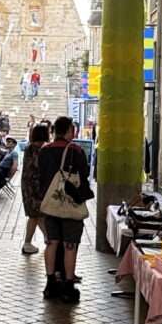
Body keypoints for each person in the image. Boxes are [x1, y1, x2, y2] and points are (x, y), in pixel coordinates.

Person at [36, 116, 91, 303]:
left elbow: (39, 176)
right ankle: (68, 285)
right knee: (70, 245)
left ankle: (50, 283)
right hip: (70, 206)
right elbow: (84, 176)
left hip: (50, 204)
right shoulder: (76, 151)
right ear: (69, 130)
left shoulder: (44, 151)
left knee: (51, 242)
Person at [19, 122, 50, 256]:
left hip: (27, 186)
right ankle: (29, 243)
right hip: (36, 187)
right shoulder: (41, 150)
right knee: (36, 215)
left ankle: (45, 239)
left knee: (36, 215)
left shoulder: (29, 148)